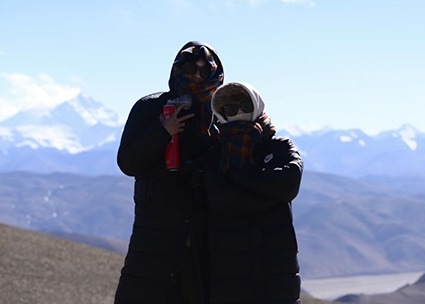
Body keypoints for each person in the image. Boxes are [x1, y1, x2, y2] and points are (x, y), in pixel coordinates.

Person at [114, 42, 224, 304]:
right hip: (155, 237)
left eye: (204, 69)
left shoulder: (221, 114)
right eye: (189, 67)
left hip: (204, 240)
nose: (196, 75)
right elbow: (128, 163)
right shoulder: (151, 108)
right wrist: (163, 132)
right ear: (176, 69)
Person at [203, 81, 303, 304]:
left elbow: (287, 185)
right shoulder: (214, 153)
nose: (238, 112)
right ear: (220, 114)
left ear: (257, 105)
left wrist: (238, 176)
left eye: (245, 105)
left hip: (276, 272)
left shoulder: (280, 147)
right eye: (229, 109)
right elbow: (220, 199)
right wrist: (267, 192)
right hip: (229, 276)